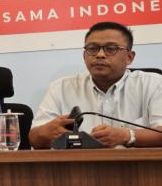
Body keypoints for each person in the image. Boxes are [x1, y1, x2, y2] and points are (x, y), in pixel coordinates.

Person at [29, 21, 162, 149]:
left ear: (129, 57)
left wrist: (128, 135)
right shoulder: (61, 88)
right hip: (77, 168)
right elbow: (34, 139)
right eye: (92, 48)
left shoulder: (153, 84)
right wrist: (47, 132)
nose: (100, 55)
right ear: (84, 55)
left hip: (137, 168)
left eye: (111, 49)